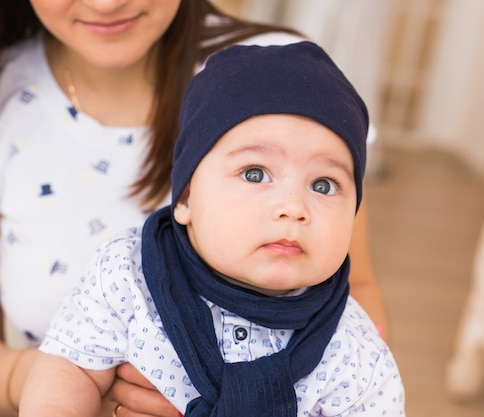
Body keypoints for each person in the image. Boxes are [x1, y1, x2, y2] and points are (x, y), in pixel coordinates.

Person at [0, 1, 390, 416]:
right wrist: (57, 375)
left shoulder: (288, 75)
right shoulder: (125, 274)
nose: (106, 3)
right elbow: (67, 366)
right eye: (255, 173)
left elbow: (356, 293)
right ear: (182, 198)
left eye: (322, 185)